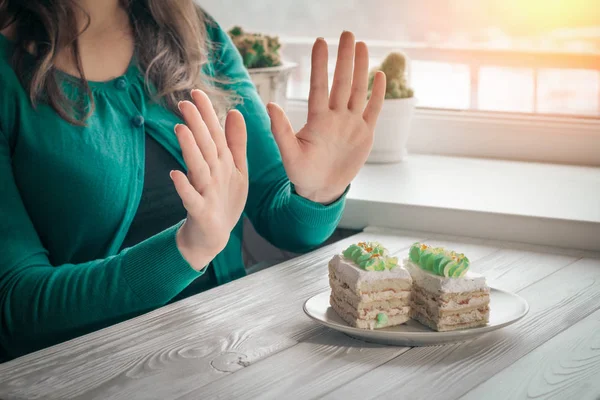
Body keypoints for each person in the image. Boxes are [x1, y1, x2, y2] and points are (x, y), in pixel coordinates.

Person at [0, 0, 386, 361]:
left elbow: (283, 220)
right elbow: (15, 307)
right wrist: (186, 249)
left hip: (224, 351)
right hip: (84, 372)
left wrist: (319, 192)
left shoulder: (195, 32)